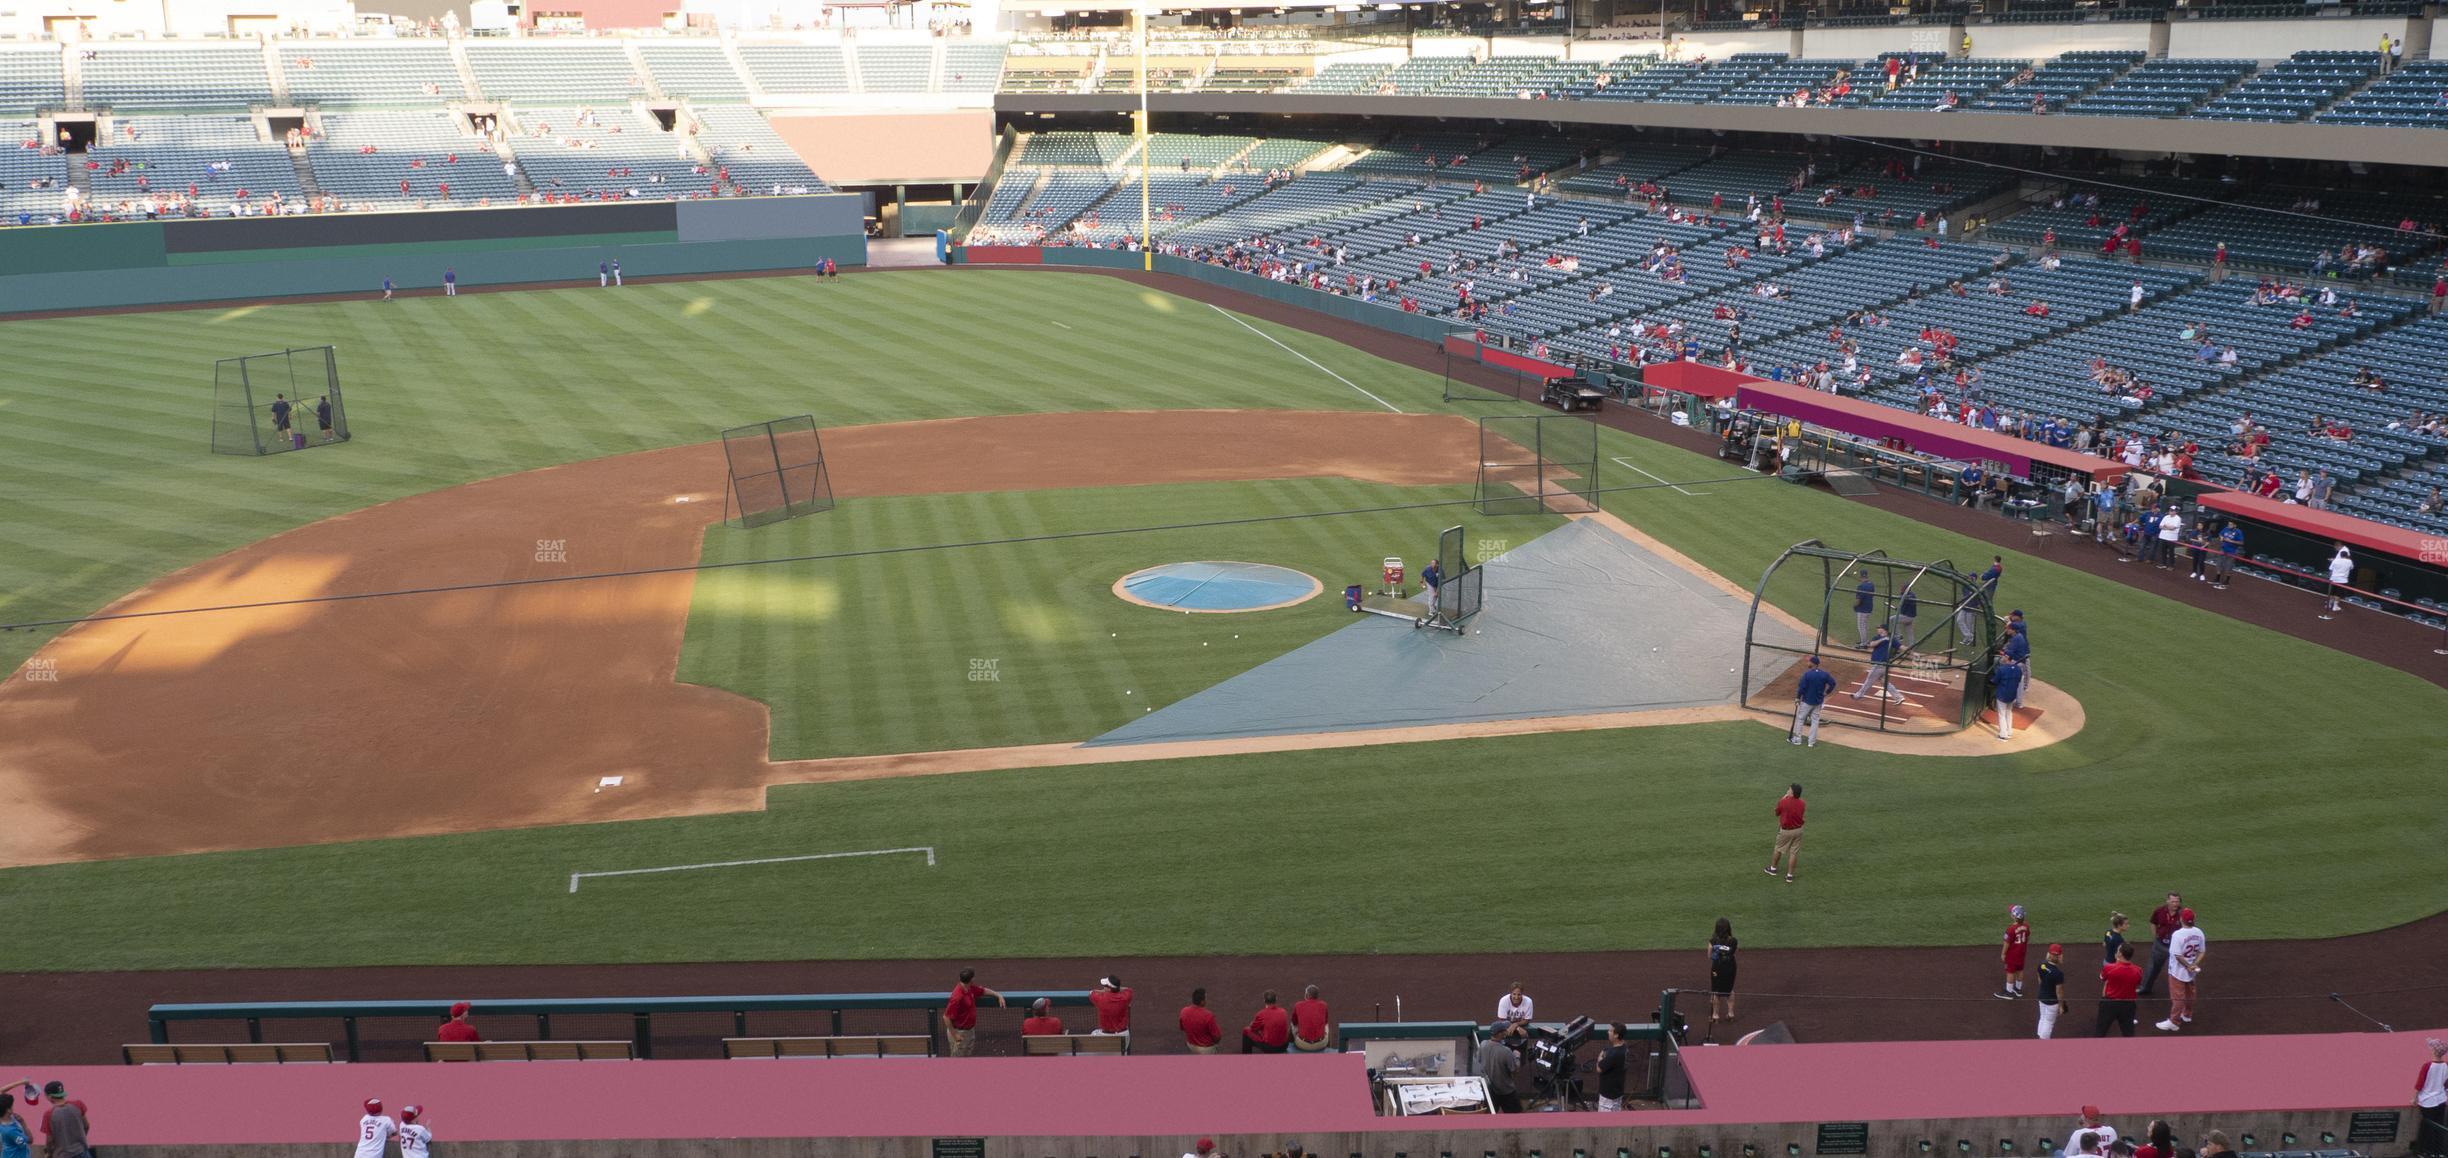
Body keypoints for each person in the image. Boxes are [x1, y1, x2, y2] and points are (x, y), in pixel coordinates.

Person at [2158, 909, 2206, 1031]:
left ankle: (2174, 1021)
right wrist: (2193, 965)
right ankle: (2187, 1015)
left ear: (2181, 919)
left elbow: (2177, 955)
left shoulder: (2177, 935)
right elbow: (2202, 951)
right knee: (2190, 994)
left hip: (2177, 971)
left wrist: (2187, 966)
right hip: (2192, 970)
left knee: (2177, 997)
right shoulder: (2199, 932)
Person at [943, 967, 1005, 1056]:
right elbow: (946, 1017)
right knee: (957, 1062)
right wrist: (955, 1035)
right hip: (959, 1032)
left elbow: (983, 991)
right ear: (971, 979)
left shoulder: (969, 988)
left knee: (968, 1059)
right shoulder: (957, 996)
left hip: (969, 1031)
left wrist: (998, 995)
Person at [1475, 1024, 1522, 1112]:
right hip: (1506, 1090)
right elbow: (1515, 1070)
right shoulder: (1506, 1051)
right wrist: (1517, 1057)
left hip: (1489, 1090)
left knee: (1490, 1119)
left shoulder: (1483, 1044)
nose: (1506, 1031)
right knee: (1516, 1118)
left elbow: (1479, 1060)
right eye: (1505, 1030)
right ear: (1501, 1034)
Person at [1790, 655, 1836, 747]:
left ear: (1812, 663)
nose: (1808, 663)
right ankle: (1811, 742)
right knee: (1815, 721)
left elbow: (1802, 688)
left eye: (1809, 661)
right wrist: (1826, 692)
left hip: (1807, 701)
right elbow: (1833, 683)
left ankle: (1798, 739)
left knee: (1800, 719)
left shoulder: (1807, 674)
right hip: (1818, 702)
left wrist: (1798, 698)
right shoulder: (1824, 674)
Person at [2098, 943, 2142, 1037]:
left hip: (2109, 1004)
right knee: (2128, 1032)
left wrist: (2116, 961)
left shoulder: (2109, 968)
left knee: (2101, 1031)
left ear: (2120, 954)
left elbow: (2102, 978)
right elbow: (2137, 982)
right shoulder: (2138, 970)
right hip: (2128, 1005)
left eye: (2118, 950)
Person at [1706, 917, 1739, 1041]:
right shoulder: (1734, 941)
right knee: (1729, 989)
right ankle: (1730, 1013)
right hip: (1730, 968)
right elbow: (1734, 953)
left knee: (1715, 990)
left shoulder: (1713, 941)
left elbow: (1709, 956)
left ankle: (1715, 1015)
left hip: (1717, 968)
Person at [1850, 627, 1901, 703]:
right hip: (1882, 665)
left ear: (1884, 629)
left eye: (1879, 628)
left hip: (1880, 665)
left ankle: (1858, 695)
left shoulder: (1891, 639)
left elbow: (1901, 647)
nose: (1877, 629)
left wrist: (1912, 652)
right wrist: (1882, 639)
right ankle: (1898, 697)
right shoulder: (1876, 637)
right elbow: (1871, 644)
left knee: (1869, 681)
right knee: (1885, 683)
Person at [1767, 782, 1805, 883]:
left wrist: (1783, 799)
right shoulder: (1802, 803)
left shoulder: (1784, 801)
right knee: (1794, 853)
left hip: (1786, 831)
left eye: (1789, 789)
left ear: (1792, 793)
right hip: (1799, 830)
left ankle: (1773, 869)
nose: (1787, 790)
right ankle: (1789, 876)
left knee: (1778, 849)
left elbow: (1777, 813)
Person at [2416, 1038, 2448, 1158]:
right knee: (2439, 1126)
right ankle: (2438, 1152)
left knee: (2428, 1127)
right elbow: (2446, 1084)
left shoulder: (2427, 1065)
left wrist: (2414, 1098)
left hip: (2427, 1101)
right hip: (2441, 1100)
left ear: (2434, 1051)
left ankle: (2426, 1151)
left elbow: (2420, 1083)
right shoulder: (2446, 1065)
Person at [1593, 1023, 1630, 1111]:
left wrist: (1600, 1057)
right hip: (1617, 1090)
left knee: (1605, 1122)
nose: (1608, 1032)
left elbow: (1599, 1069)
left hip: (1608, 1095)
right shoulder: (1624, 1047)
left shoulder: (1614, 1054)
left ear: (1616, 1035)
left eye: (1610, 1031)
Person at [1997, 905, 2031, 998]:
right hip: (2022, 953)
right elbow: (2028, 937)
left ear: (2014, 916)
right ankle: (2018, 989)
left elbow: (2007, 943)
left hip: (2012, 954)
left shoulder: (2011, 929)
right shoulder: (2026, 925)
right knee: (2020, 970)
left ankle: (2009, 992)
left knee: (2010, 972)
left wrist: (2003, 953)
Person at [2035, 944, 2067, 1039]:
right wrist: (2061, 1006)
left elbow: (2039, 978)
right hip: (2052, 1002)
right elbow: (2059, 992)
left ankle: (2040, 1037)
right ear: (2059, 956)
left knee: (2043, 1018)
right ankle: (2043, 1043)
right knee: (2049, 1022)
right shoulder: (2058, 974)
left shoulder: (2042, 965)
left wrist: (2044, 987)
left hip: (2041, 996)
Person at [1993, 653, 2026, 741]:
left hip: (2002, 695)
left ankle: (2003, 735)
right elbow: (2019, 680)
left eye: (2004, 656)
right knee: (2009, 712)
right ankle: (2009, 732)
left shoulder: (2001, 669)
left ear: (2007, 658)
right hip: (2012, 695)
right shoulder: (2018, 669)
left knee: (2002, 714)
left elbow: (1995, 681)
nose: (2002, 657)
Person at [1179, 987, 1222, 1054]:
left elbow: (1182, 1028)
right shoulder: (1208, 1015)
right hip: (1206, 1049)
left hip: (1191, 1046)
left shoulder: (1184, 1011)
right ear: (1202, 1002)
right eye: (1205, 998)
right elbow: (1217, 1037)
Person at [1291, 985, 1331, 1051]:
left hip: (1302, 1044)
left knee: (1292, 1025)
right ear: (1317, 996)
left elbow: (1294, 1022)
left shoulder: (1298, 1005)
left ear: (1306, 995)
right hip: (1320, 1044)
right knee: (1326, 1025)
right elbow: (1326, 1021)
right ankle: (1329, 1048)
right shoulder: (1324, 1005)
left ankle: (1291, 1048)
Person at [0, 1092, 31, 1158]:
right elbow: (30, 1140)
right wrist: (23, 1123)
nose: (13, 1107)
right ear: (8, 1110)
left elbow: (1, 1091)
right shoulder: (11, 1131)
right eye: (12, 1106)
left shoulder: (4, 1120)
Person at [2326, 545, 2354, 614]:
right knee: (2338, 593)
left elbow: (2330, 569)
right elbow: (2351, 568)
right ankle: (2335, 606)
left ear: (2340, 555)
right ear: (2347, 555)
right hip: (2342, 580)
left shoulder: (2335, 561)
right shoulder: (2349, 561)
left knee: (2332, 592)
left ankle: (2329, 604)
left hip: (2334, 579)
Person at [1852, 574, 1878, 647]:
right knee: (1865, 625)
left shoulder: (1860, 586)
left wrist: (1854, 606)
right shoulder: (1871, 585)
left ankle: (1863, 644)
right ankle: (1865, 641)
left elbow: (1858, 600)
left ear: (1861, 577)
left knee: (1861, 626)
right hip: (1869, 608)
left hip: (1862, 609)